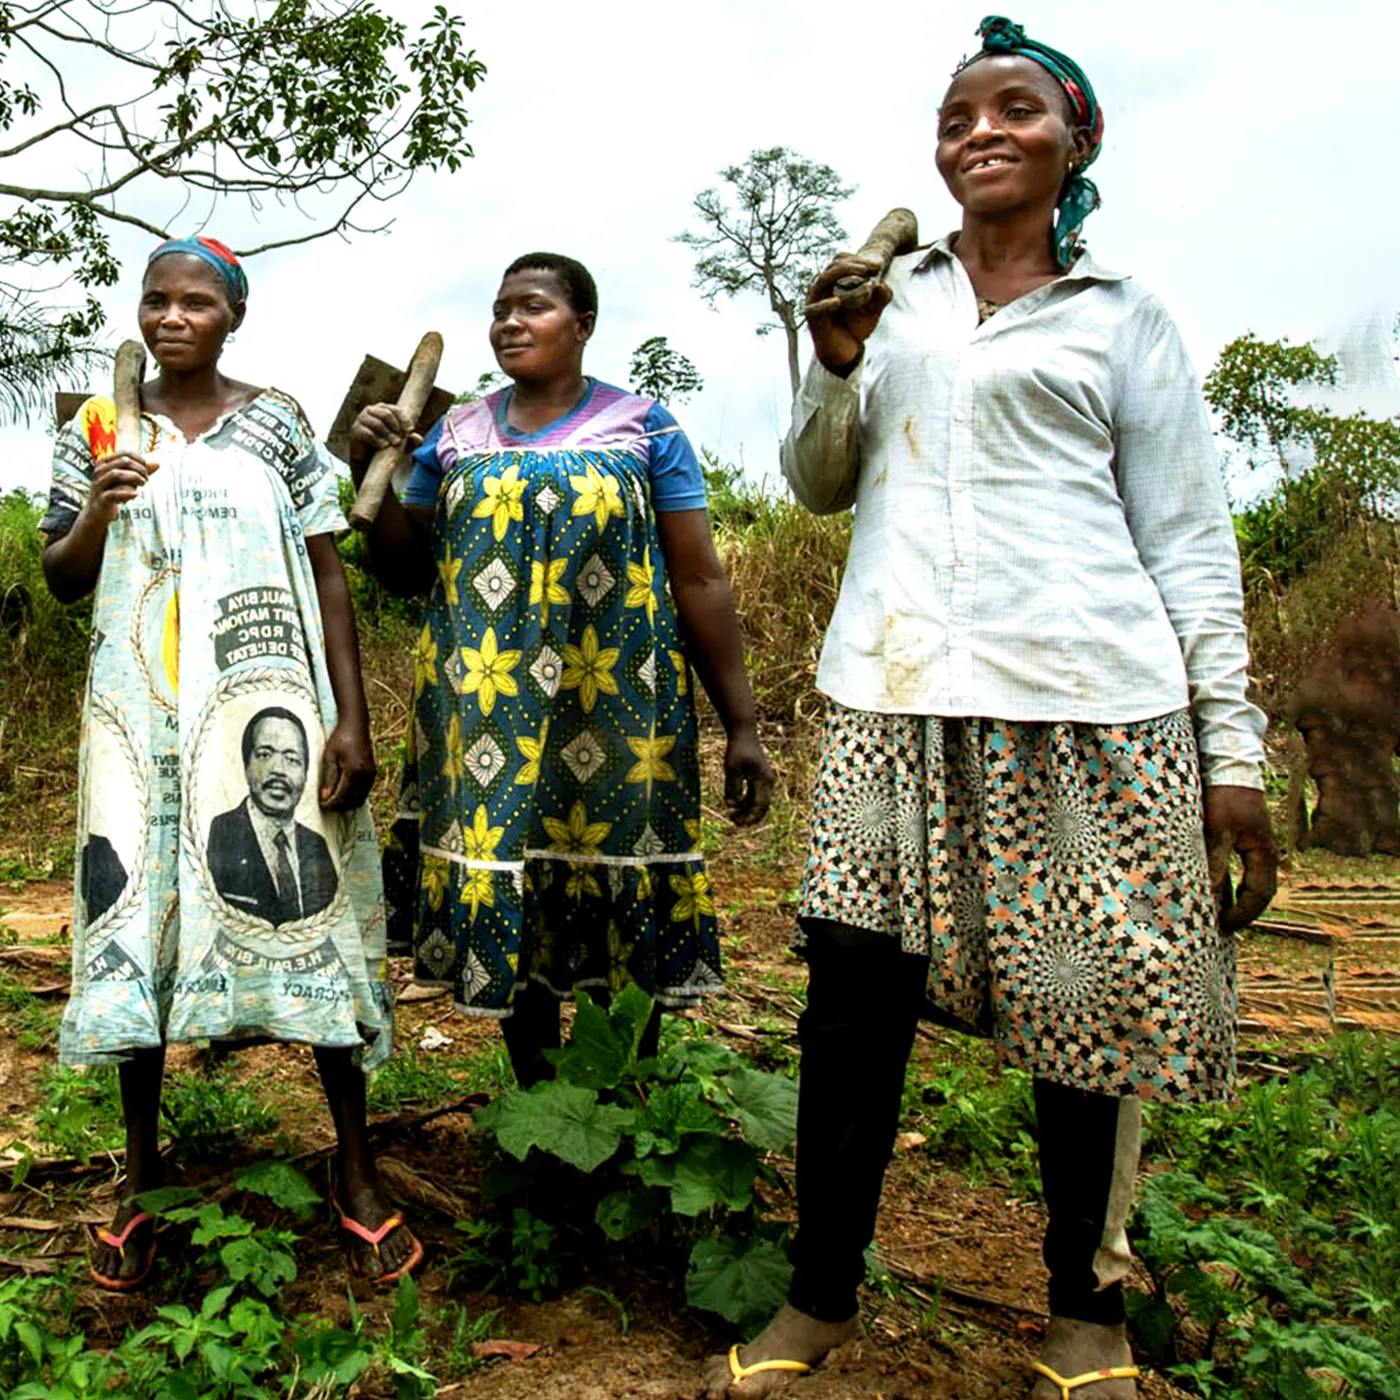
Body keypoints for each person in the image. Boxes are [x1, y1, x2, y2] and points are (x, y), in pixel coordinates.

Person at [702, 17, 1278, 1400]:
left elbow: (1189, 537)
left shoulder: (1122, 313)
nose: (979, 131)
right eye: (959, 114)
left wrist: (1231, 750)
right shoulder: (881, 299)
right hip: (889, 695)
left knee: (1086, 1008)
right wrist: (833, 361)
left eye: (1014, 108)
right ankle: (822, 1294)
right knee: (852, 1003)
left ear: (1074, 141)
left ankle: (1086, 1306)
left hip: (1086, 702)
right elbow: (819, 483)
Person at [42, 235, 418, 1291]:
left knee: (315, 908)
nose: (171, 316)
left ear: (232, 316)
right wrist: (102, 507)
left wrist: (349, 717)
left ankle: (353, 1164)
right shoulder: (98, 426)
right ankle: (140, 1172)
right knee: (141, 917)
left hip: (270, 707)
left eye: (195, 301)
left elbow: (326, 572)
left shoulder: (280, 421)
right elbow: (62, 573)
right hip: (139, 713)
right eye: (155, 299)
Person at [351, 251, 772, 1084]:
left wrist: (744, 725)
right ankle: (542, 1113)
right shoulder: (457, 431)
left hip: (618, 705)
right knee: (515, 884)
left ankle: (622, 1107)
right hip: (484, 708)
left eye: (533, 306)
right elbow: (404, 572)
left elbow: (699, 577)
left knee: (622, 888)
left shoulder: (645, 426)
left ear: (583, 325)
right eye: (501, 308)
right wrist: (380, 469)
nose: (510, 321)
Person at [209, 708, 340, 925]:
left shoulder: (316, 844)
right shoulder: (221, 833)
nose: (278, 769)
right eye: (264, 755)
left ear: (306, 773)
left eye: (292, 759)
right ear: (246, 765)